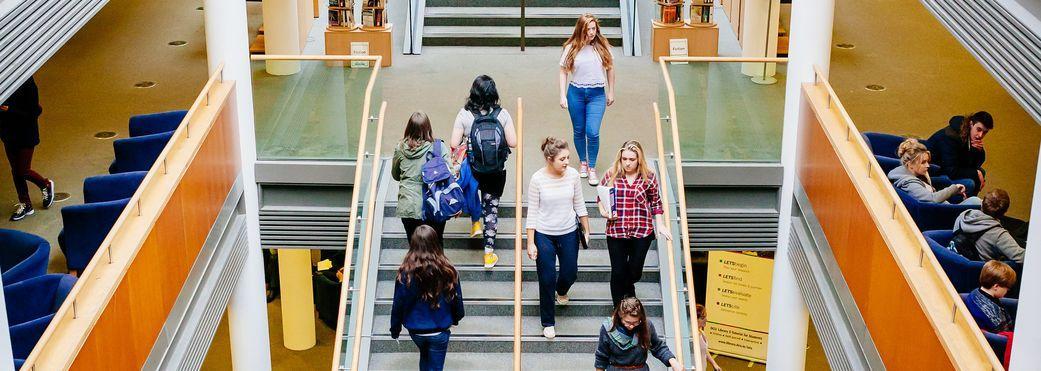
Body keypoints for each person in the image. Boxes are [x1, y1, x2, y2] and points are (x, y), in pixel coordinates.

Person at [450, 75, 517, 269]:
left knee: (471, 193)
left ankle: (474, 223)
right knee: (492, 210)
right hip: (495, 170)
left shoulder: (464, 114)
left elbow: (454, 143)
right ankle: (488, 254)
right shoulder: (502, 114)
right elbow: (513, 142)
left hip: (473, 167)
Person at [526, 137, 590, 339]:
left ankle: (561, 291)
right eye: (562, 158)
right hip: (544, 234)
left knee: (570, 272)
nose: (567, 162)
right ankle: (548, 322)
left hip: (569, 231)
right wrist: (530, 242)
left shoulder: (572, 176)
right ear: (549, 159)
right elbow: (532, 212)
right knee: (546, 278)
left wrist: (586, 229)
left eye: (568, 157)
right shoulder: (537, 179)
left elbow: (579, 203)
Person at [598, 140, 672, 307]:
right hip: (617, 231)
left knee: (635, 272)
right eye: (624, 159)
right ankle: (618, 310)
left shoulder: (649, 176)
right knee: (617, 272)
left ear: (639, 159)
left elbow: (655, 202)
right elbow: (600, 196)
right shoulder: (611, 174)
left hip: (641, 230)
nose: (627, 163)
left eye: (632, 159)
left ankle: (629, 291)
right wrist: (603, 211)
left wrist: (660, 224)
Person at [389, 225, 465, 371]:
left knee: (425, 359)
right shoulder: (448, 270)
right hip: (439, 329)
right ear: (435, 243)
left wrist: (395, 329)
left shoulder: (405, 272)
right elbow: (456, 298)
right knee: (435, 367)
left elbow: (398, 303)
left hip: (416, 330)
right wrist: (455, 318)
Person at [559, 13, 616, 186]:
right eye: (588, 29)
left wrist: (611, 91)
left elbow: (610, 68)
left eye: (594, 28)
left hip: (597, 94)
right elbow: (563, 70)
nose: (592, 32)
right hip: (575, 92)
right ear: (581, 29)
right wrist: (562, 94)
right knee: (579, 130)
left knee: (592, 131)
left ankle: (592, 167)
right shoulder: (571, 47)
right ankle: (583, 161)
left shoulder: (602, 46)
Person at [0, 76, 54, 221]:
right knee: (15, 170)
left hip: (25, 133)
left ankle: (45, 184)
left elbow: (35, 111)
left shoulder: (28, 84)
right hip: (8, 133)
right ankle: (25, 203)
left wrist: (9, 110)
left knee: (23, 170)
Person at [392, 112, 451, 242]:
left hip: (408, 205)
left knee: (415, 248)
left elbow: (395, 175)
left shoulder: (400, 148)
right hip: (434, 203)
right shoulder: (438, 147)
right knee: (436, 247)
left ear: (408, 128)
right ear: (428, 128)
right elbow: (449, 173)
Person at [595, 297, 682, 371]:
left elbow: (658, 347)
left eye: (636, 322)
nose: (631, 326)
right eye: (627, 322)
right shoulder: (608, 328)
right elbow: (601, 356)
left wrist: (673, 362)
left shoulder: (646, 325)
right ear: (620, 316)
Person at [886, 138, 979, 205]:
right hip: (944, 212)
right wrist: (953, 188)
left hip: (943, 203)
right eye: (923, 162)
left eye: (927, 161)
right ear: (910, 165)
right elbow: (932, 199)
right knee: (976, 201)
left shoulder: (907, 171)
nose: (928, 165)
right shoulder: (910, 185)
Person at [926, 111, 992, 196]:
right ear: (971, 124)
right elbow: (950, 171)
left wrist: (976, 151)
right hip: (932, 170)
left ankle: (969, 201)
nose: (980, 135)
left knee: (980, 172)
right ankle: (964, 204)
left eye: (985, 132)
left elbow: (975, 163)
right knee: (970, 182)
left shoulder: (969, 135)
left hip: (946, 168)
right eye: (978, 129)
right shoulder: (951, 136)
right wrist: (976, 173)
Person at [952, 189, 1025, 264]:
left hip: (954, 261)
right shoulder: (999, 235)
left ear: (982, 203)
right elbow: (1021, 257)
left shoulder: (964, 215)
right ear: (1004, 212)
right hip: (981, 271)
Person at [963, 260, 1016, 333]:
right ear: (996, 286)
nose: (1007, 291)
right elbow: (1004, 332)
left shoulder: (975, 293)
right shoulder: (993, 314)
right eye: (1007, 288)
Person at [695, 304, 723, 371]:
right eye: (702, 318)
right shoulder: (693, 338)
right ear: (694, 319)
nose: (706, 320)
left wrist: (714, 364)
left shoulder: (702, 333)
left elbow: (704, 350)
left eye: (705, 317)